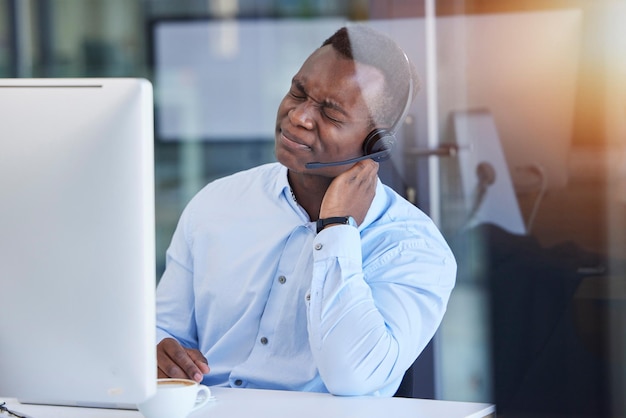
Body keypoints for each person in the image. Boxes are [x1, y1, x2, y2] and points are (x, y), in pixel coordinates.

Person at [155, 24, 456, 397]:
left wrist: (336, 231)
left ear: (376, 142)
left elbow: (355, 378)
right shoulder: (216, 203)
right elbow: (163, 328)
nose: (298, 116)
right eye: (298, 92)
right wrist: (159, 352)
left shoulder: (415, 249)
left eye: (330, 114)